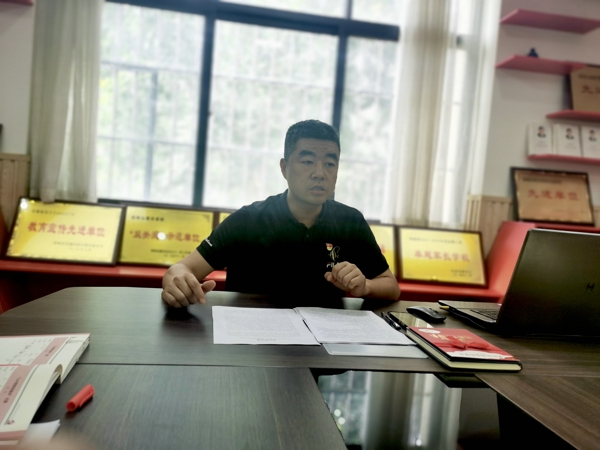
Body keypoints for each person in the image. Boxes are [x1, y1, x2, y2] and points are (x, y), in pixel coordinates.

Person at [161, 119, 400, 307]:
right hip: (251, 344)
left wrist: (365, 286)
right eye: (307, 162)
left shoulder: (350, 221)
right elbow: (181, 269)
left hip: (321, 347)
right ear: (284, 168)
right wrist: (178, 282)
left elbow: (390, 286)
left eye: (330, 164)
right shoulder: (248, 220)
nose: (320, 173)